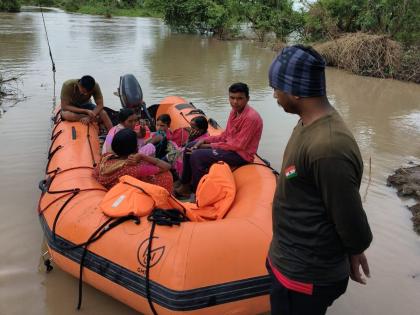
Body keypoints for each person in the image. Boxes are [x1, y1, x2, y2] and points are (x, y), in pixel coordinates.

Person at [267, 45, 373, 315]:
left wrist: (355, 248)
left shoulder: (328, 148)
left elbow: (350, 218)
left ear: (296, 91)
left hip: (305, 275)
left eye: (276, 87)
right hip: (289, 259)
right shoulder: (307, 122)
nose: (274, 95)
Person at [175, 82, 263, 197]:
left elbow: (238, 146)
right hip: (230, 148)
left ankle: (199, 193)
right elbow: (226, 135)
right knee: (189, 146)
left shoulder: (251, 118)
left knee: (197, 155)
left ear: (247, 99)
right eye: (232, 98)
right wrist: (205, 140)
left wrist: (206, 146)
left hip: (241, 155)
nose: (235, 102)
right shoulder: (234, 112)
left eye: (240, 98)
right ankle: (185, 185)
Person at [94, 128, 173, 192]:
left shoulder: (106, 157)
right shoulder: (133, 168)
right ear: (136, 147)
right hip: (130, 196)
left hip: (113, 189)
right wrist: (143, 156)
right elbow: (167, 166)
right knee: (166, 174)